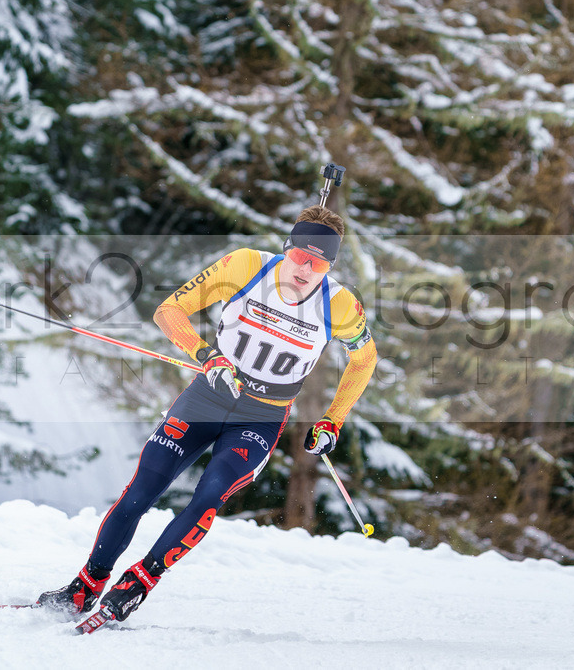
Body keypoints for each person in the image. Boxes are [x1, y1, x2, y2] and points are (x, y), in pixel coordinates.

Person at [36, 205, 378, 625]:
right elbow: (170, 310)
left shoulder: (340, 304)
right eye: (300, 257)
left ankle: (138, 583)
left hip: (261, 417)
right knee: (143, 489)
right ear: (286, 249)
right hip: (207, 396)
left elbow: (365, 359)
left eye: (320, 262)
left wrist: (332, 420)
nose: (306, 270)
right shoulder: (246, 266)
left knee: (210, 493)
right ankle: (86, 586)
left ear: (330, 266)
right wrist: (206, 355)